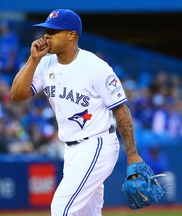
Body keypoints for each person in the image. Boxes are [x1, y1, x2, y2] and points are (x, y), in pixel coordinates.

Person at [10, 9, 143, 216]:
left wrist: (132, 154)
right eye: (46, 31)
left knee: (62, 208)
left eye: (53, 32)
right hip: (71, 149)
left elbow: (121, 110)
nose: (46, 36)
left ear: (72, 35)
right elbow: (17, 94)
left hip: (97, 144)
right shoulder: (45, 64)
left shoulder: (96, 67)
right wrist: (33, 59)